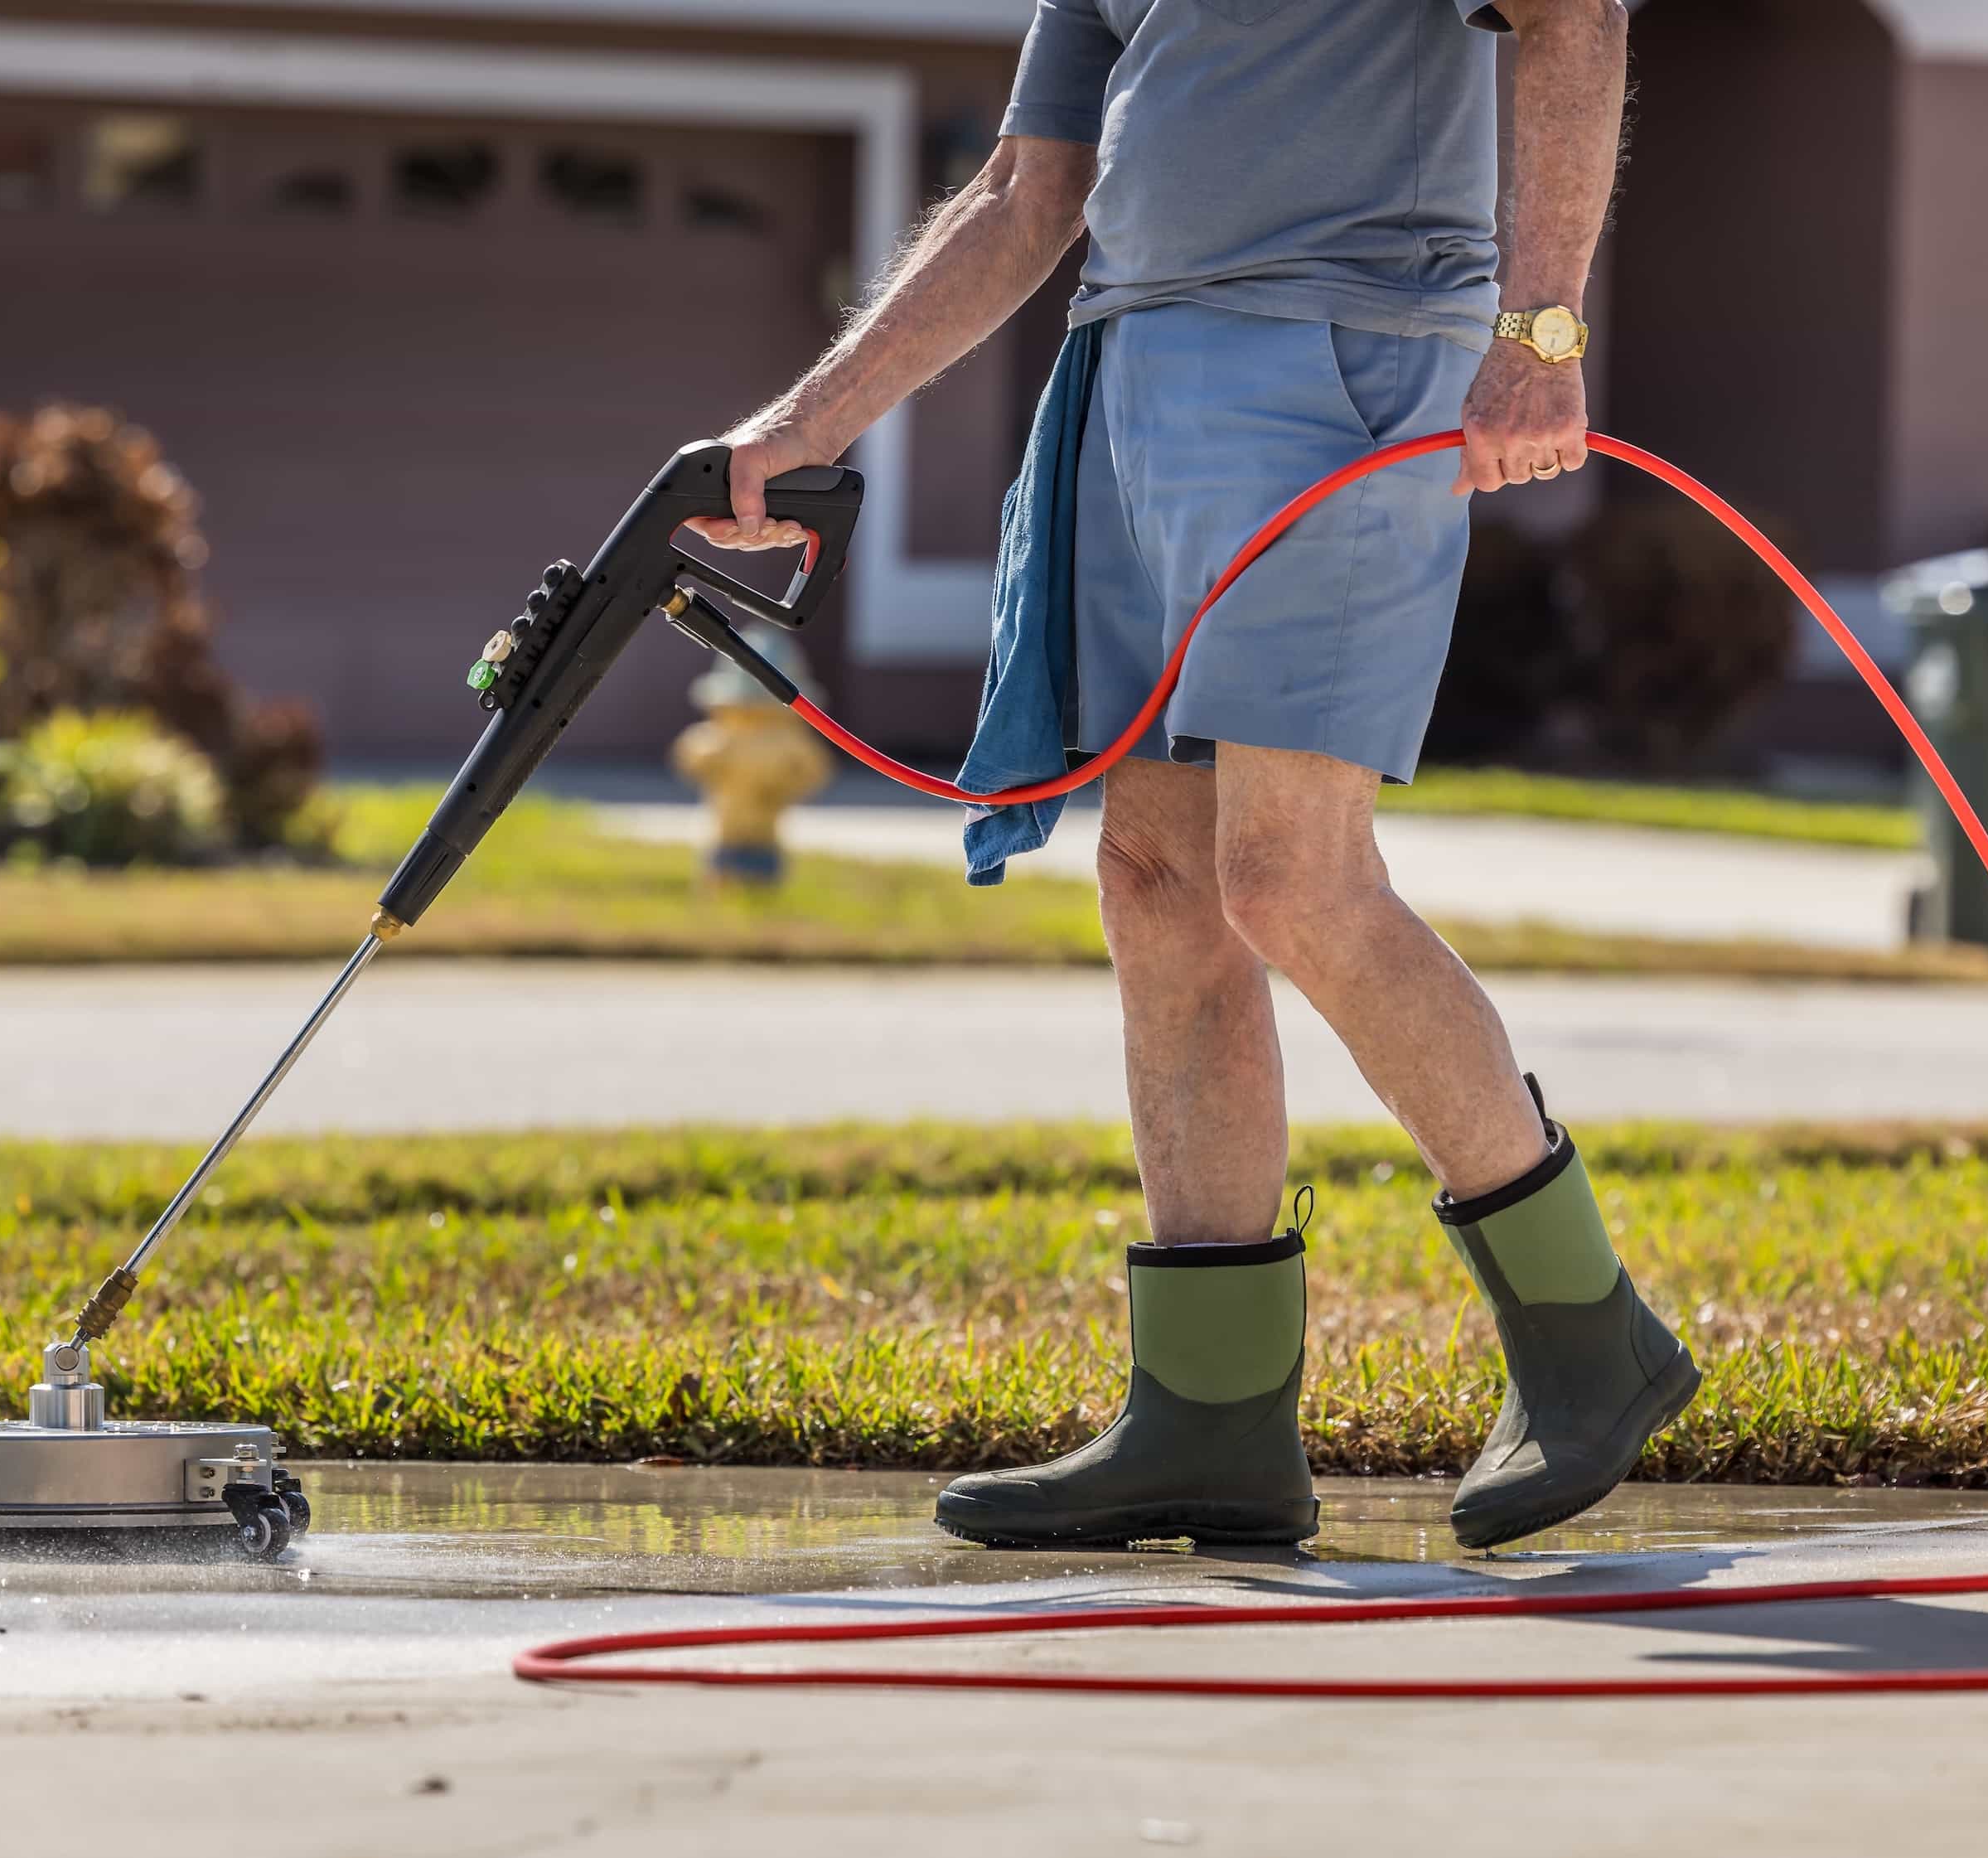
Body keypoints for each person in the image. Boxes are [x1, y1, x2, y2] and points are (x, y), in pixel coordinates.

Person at [688, 0, 1694, 1551]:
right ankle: (1210, 1415)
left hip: (1345, 355)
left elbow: (1575, 17)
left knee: (1292, 878)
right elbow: (1028, 191)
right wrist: (805, 422)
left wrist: (1541, 329)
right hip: (1129, 371)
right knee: (1156, 884)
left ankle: (1587, 1333)